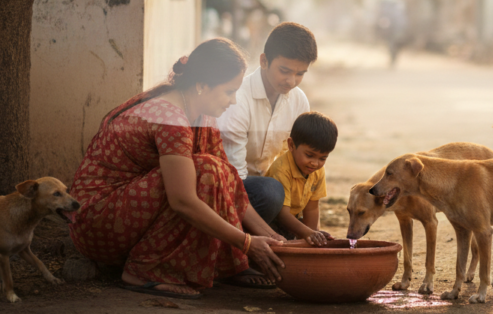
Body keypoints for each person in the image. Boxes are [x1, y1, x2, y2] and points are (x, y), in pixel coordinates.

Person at [69, 38, 287, 300]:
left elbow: (231, 185)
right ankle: (144, 271)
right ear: (202, 85)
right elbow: (182, 200)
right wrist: (248, 244)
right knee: (205, 171)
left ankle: (228, 264)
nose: (233, 101)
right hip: (98, 220)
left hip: (135, 208)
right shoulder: (168, 117)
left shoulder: (202, 114)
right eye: (229, 91)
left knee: (220, 171)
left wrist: (274, 239)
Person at [217, 22, 317, 229]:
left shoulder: (299, 101)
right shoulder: (237, 100)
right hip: (233, 190)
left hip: (275, 193)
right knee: (271, 191)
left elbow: (299, 162)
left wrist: (308, 229)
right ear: (264, 61)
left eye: (300, 74)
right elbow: (234, 177)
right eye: (285, 71)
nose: (291, 80)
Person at [266, 112, 337, 246]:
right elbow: (282, 214)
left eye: (323, 158)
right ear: (291, 145)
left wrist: (313, 235)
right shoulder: (281, 169)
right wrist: (306, 233)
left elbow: (311, 209)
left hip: (294, 220)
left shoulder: (317, 171)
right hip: (272, 222)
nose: (315, 163)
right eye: (309, 155)